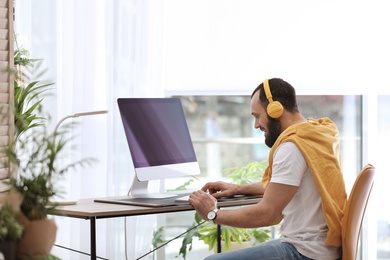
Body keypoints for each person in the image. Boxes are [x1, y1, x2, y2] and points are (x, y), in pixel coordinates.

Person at [188, 78, 347, 260]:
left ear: (275, 110)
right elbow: (284, 186)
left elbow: (267, 214)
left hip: (306, 252)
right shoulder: (317, 134)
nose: (256, 125)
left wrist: (213, 214)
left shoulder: (292, 147)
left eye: (257, 115)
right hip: (322, 247)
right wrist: (238, 188)